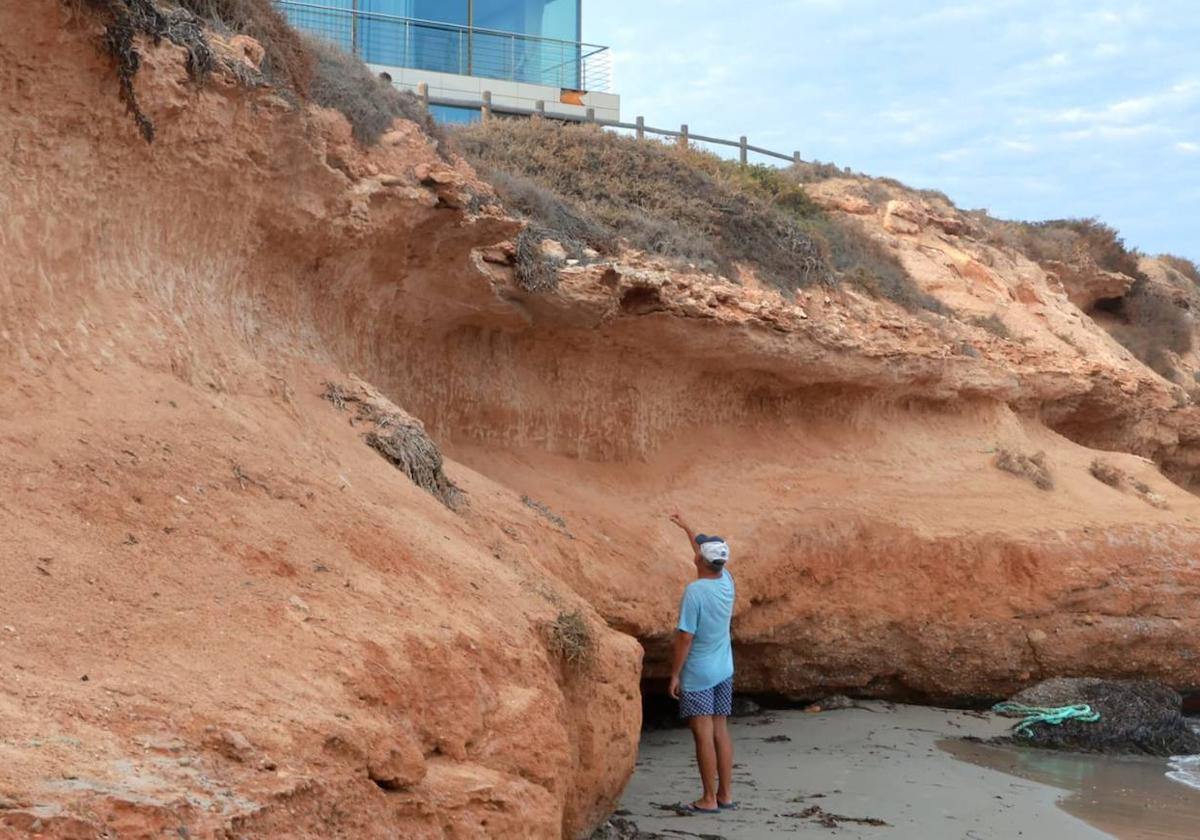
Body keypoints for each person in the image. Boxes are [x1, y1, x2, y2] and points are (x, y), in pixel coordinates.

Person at [667, 512, 736, 814]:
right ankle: (725, 794)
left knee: (702, 734)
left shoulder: (694, 593)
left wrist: (674, 674)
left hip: (699, 672)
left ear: (699, 561)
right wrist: (686, 527)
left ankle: (708, 798)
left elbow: (685, 637)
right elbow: (703, 549)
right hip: (724, 669)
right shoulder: (727, 580)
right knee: (721, 730)